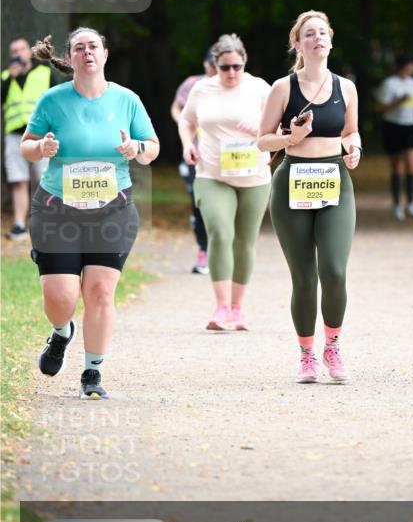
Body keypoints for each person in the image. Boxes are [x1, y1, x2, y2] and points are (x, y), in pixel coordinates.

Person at [20, 28, 159, 399]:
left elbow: (152, 148)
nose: (87, 53)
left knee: (99, 291)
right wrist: (43, 147)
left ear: (105, 54)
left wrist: (136, 147)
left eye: (93, 46)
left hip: (112, 210)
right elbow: (27, 147)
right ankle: (62, 332)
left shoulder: (127, 100)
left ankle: (92, 373)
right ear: (71, 57)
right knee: (61, 297)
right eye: (79, 48)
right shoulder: (52, 100)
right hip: (56, 210)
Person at [257, 10, 361, 385]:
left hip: (334, 179)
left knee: (333, 271)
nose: (317, 38)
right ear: (297, 44)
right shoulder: (282, 88)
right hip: (292, 180)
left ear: (330, 41)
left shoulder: (346, 87)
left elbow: (351, 132)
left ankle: (332, 347)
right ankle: (306, 355)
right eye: (309, 34)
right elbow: (262, 140)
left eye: (322, 33)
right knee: (304, 277)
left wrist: (354, 149)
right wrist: (290, 139)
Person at [179, 33, 271, 332]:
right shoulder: (202, 89)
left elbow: (281, 124)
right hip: (212, 173)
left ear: (244, 63)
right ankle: (220, 308)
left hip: (254, 175)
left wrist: (259, 129)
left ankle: (237, 308)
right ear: (214, 65)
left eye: (237, 66)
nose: (231, 73)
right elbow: (186, 119)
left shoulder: (260, 88)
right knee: (220, 231)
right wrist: (187, 143)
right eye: (225, 67)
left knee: (245, 242)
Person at [2, 36, 61, 240]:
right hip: (14, 136)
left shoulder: (44, 73)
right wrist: (10, 78)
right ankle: (19, 225)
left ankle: (47, 223)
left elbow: (56, 102)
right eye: (14, 51)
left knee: (45, 180)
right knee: (18, 180)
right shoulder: (5, 77)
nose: (18, 53)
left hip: (41, 135)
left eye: (22, 49)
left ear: (29, 52)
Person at [170, 49, 217, 274]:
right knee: (198, 203)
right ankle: (203, 250)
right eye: (212, 63)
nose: (216, 68)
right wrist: (184, 123)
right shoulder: (193, 84)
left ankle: (223, 251)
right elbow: (176, 107)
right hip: (196, 154)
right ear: (205, 63)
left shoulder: (234, 85)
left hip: (225, 157)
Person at [376, 54, 413, 220]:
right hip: (392, 127)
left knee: (411, 166)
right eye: (412, 64)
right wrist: (397, 102)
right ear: (404, 66)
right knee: (396, 167)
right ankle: (397, 205)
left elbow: (412, 102)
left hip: (411, 126)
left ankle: (411, 204)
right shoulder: (389, 83)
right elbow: (380, 108)